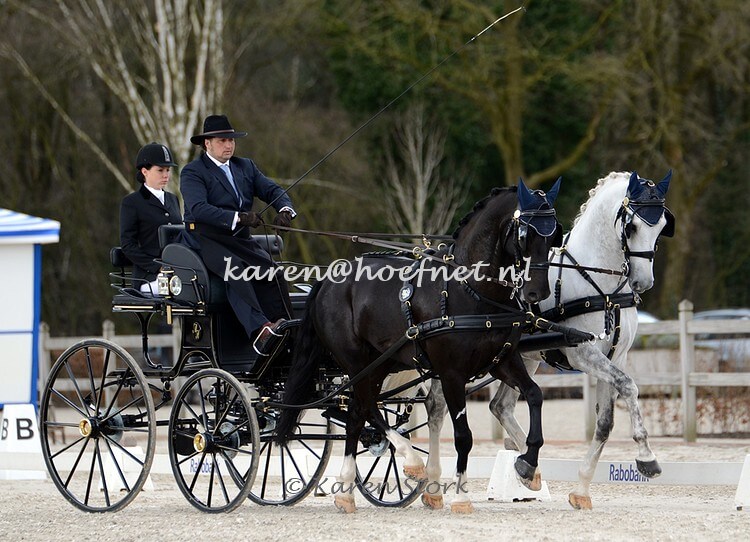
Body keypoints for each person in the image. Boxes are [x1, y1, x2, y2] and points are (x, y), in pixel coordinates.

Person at [180, 114, 295, 353]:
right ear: (207, 144)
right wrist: (238, 217)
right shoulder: (193, 172)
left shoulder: (246, 166)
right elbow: (198, 209)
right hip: (206, 239)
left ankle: (286, 327)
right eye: (222, 140)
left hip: (239, 239)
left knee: (272, 270)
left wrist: (284, 210)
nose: (229, 145)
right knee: (235, 269)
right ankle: (261, 330)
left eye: (231, 140)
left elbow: (271, 189)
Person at [120, 142, 182, 294]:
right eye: (160, 170)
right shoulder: (132, 202)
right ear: (145, 171)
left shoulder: (172, 199)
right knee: (182, 290)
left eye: (168, 170)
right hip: (149, 276)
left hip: (178, 270)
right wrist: (157, 267)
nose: (166, 175)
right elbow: (128, 245)